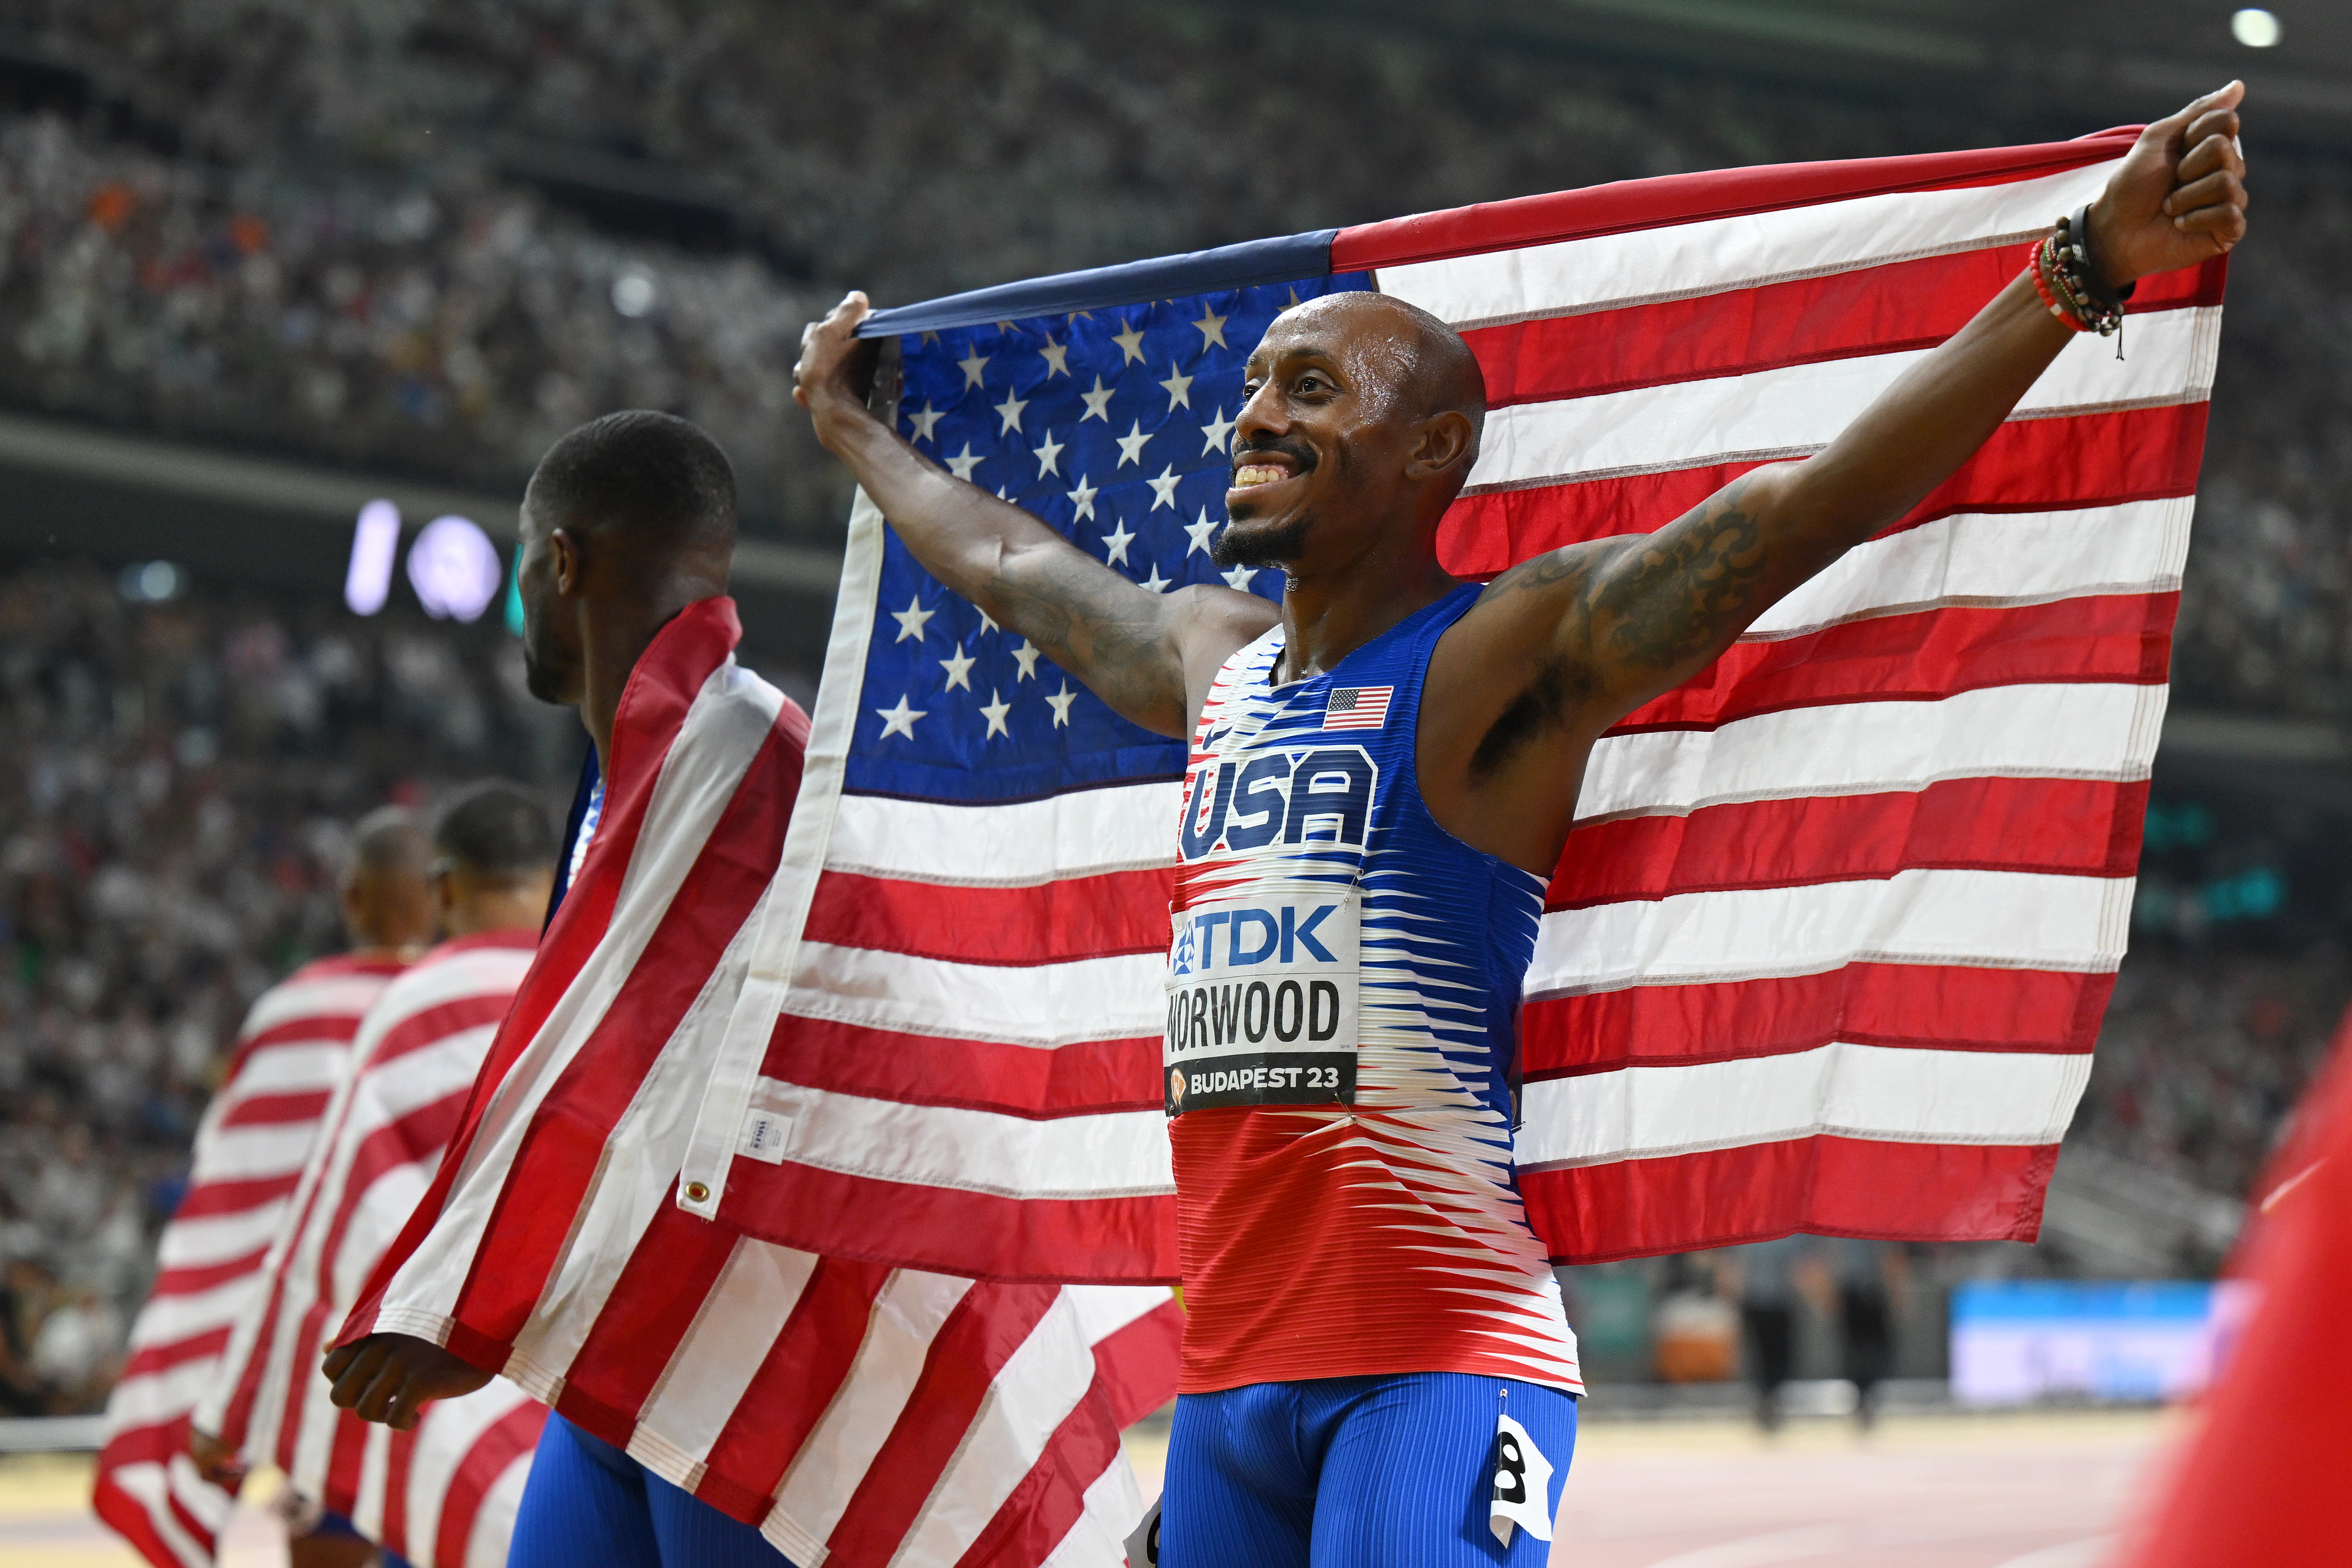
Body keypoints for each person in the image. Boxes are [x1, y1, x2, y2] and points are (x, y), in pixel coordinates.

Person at [791, 89, 2250, 1566]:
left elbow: (1807, 508)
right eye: (1255, 387)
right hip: (1232, 1381)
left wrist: (2078, 267)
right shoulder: (1208, 657)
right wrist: (850, 427)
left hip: (1433, 1355)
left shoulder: (1501, 657)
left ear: (1431, 452)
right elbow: (1006, 560)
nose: (1254, 416)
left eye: (1310, 389)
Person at [319, 412, 810, 1568]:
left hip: (735, 1357)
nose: (523, 617)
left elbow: (692, 1101)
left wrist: (490, 1305)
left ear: (559, 561)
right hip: (621, 1350)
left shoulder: (741, 754)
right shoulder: (635, 774)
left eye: (524, 577)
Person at [195, 783, 557, 1568]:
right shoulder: (609, 988)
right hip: (574, 1397)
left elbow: (325, 1227)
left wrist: (230, 1404)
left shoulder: (411, 1006)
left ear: (446, 888)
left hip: (433, 1401)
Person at [95, 808, 433, 1568]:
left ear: (351, 898)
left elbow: (237, 1200)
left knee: (326, 1544)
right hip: (447, 1346)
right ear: (443, 897)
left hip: (329, 1360)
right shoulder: (477, 1000)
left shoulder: (294, 1012)